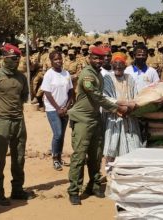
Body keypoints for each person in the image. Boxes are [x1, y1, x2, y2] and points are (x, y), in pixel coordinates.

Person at [67, 46, 125, 205]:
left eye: (102, 58)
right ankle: (74, 190)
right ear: (89, 58)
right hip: (82, 120)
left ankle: (93, 185)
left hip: (95, 118)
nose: (99, 61)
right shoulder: (87, 74)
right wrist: (115, 108)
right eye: (96, 58)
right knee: (79, 155)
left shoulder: (98, 73)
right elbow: (96, 96)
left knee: (96, 155)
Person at [0, 44, 33, 206]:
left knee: (19, 157)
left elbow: (24, 96)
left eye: (17, 59)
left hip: (19, 121)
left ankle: (17, 190)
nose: (16, 62)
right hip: (1, 121)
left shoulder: (21, 77)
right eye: (13, 59)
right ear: (5, 59)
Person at [102, 52, 142, 164]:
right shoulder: (107, 78)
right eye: (115, 64)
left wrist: (130, 107)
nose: (118, 67)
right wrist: (121, 106)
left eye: (121, 64)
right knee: (112, 148)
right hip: (114, 118)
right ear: (112, 65)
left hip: (130, 117)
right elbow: (105, 98)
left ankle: (128, 172)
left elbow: (135, 96)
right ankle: (111, 172)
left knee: (132, 146)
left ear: (125, 66)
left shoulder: (130, 78)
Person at [41, 51, 74, 171]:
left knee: (62, 135)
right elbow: (47, 93)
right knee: (58, 133)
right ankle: (55, 158)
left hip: (64, 109)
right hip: (52, 109)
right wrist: (57, 108)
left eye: (60, 59)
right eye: (55, 59)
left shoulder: (66, 73)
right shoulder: (49, 74)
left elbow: (71, 91)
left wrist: (66, 106)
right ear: (51, 61)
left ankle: (59, 157)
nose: (58, 61)